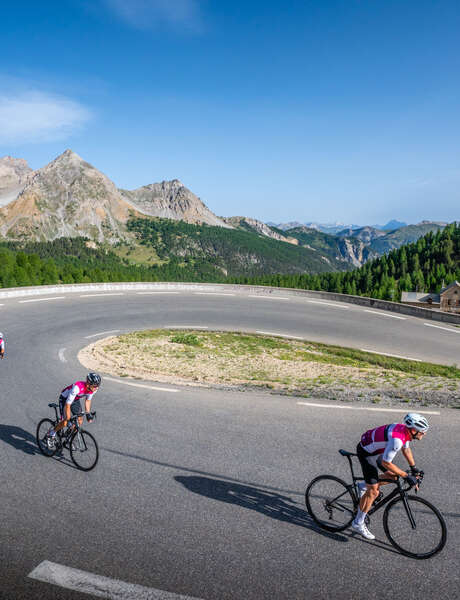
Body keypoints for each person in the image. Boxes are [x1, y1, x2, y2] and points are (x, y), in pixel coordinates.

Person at [351, 413, 428, 540]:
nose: (424, 434)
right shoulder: (397, 439)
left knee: (394, 477)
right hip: (367, 453)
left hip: (377, 450)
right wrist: (406, 475)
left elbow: (406, 450)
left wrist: (414, 469)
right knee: (374, 492)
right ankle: (358, 523)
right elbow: (385, 463)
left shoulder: (405, 431)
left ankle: (364, 486)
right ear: (414, 430)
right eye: (422, 431)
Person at [46, 372, 101, 449]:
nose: (96, 388)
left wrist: (88, 414)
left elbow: (88, 401)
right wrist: (67, 417)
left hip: (75, 400)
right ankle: (51, 434)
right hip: (65, 399)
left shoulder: (94, 389)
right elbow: (68, 404)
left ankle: (68, 439)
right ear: (88, 384)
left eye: (98, 386)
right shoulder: (77, 388)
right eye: (95, 386)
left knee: (80, 420)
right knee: (65, 421)